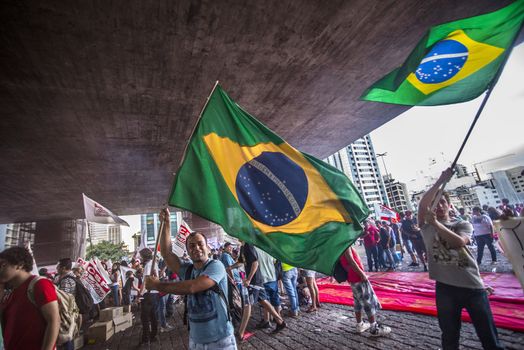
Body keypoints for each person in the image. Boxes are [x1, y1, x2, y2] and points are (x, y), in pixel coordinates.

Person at [418, 168, 504, 350]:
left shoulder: (462, 224)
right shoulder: (426, 226)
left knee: (488, 336)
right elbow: (422, 205)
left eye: (443, 202)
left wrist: (436, 224)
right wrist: (440, 180)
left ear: (449, 205)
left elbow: (458, 242)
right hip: (445, 288)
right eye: (436, 203)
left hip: (473, 287)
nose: (439, 206)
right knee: (449, 336)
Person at [145, 208, 237, 349]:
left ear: (207, 247)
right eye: (192, 245)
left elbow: (192, 287)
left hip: (221, 340)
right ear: (187, 250)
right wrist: (167, 223)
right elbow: (166, 254)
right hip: (195, 341)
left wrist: (157, 285)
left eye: (200, 244)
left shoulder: (216, 266)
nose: (197, 248)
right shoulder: (187, 270)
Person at [0, 246, 60, 350]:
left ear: (20, 265)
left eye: (3, 264)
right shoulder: (9, 294)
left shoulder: (40, 284)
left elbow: (54, 321)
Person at [235, 241, 286, 342]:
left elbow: (255, 263)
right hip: (256, 280)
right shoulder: (242, 247)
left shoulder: (249, 245)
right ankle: (280, 321)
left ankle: (240, 333)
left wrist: (249, 279)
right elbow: (241, 262)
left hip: (254, 280)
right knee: (263, 300)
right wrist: (229, 268)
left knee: (247, 304)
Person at [339, 246, 391, 336]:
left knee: (358, 302)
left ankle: (360, 324)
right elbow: (351, 261)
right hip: (357, 277)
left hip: (352, 277)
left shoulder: (339, 242)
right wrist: (362, 274)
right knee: (368, 301)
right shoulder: (345, 243)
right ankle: (374, 328)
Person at [254, 246, 282, 326]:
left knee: (265, 300)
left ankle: (267, 321)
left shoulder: (255, 249)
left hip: (263, 278)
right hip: (273, 277)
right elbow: (274, 261)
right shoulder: (269, 249)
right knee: (275, 298)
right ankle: (278, 318)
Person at [139, 247, 160, 344]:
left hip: (149, 294)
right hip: (155, 293)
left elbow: (146, 280)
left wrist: (140, 293)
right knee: (153, 316)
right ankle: (153, 335)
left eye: (141, 256)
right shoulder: (154, 263)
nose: (140, 258)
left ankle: (146, 338)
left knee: (145, 317)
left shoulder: (148, 265)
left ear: (144, 256)